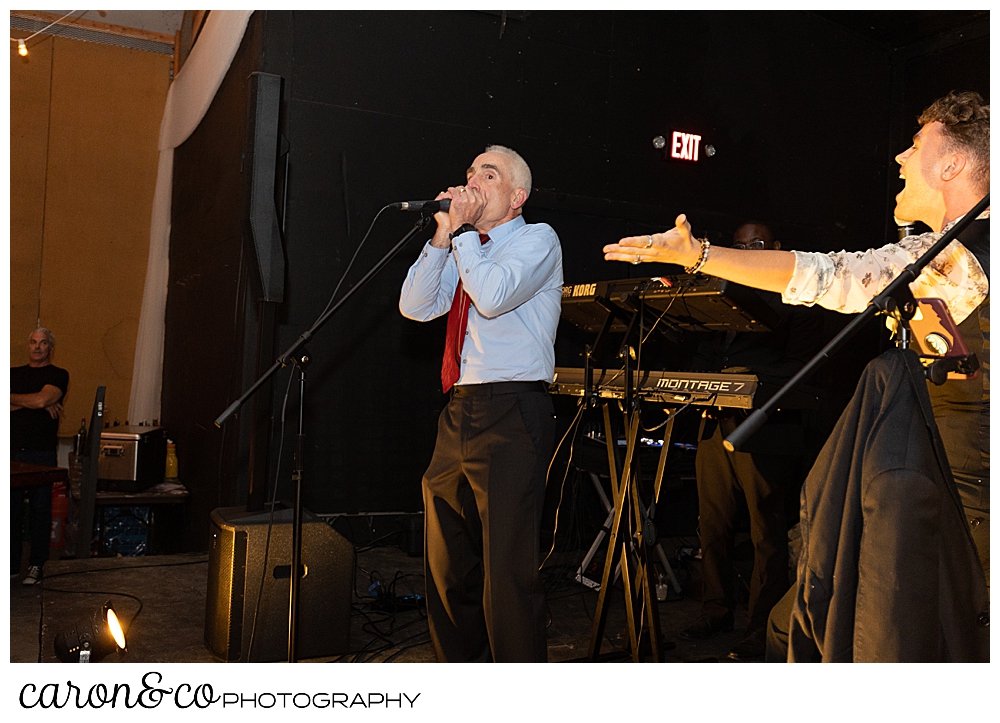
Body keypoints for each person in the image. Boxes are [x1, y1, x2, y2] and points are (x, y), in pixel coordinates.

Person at [604, 90, 989, 660]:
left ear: (954, 163)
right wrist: (698, 256)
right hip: (929, 484)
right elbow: (828, 275)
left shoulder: (970, 255)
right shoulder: (938, 254)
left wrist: (701, 256)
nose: (901, 160)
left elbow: (830, 276)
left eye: (915, 147)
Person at [399, 145, 563, 662]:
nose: (470, 181)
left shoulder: (537, 240)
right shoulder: (466, 247)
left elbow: (491, 297)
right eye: (469, 171)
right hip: (460, 408)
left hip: (513, 410)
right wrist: (445, 235)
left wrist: (466, 235)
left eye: (486, 174)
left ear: (517, 196)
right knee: (447, 566)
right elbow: (417, 306)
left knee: (507, 573)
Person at [681, 222, 823, 660]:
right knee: (713, 524)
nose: (747, 251)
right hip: (714, 424)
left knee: (766, 531)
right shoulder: (722, 295)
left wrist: (749, 381)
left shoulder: (793, 301)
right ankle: (715, 608)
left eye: (756, 245)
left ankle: (761, 627)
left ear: (777, 248)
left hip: (766, 430)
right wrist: (704, 385)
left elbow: (804, 370)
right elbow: (704, 357)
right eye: (740, 246)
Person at [11, 328, 70, 585]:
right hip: (11, 452)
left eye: (42, 343)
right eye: (33, 342)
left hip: (41, 452)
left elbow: (41, 399)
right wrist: (37, 402)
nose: (37, 347)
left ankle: (37, 565)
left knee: (40, 509)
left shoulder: (58, 375)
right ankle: (10, 566)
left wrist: (34, 402)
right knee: (9, 511)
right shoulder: (12, 373)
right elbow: (38, 402)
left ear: (50, 347)